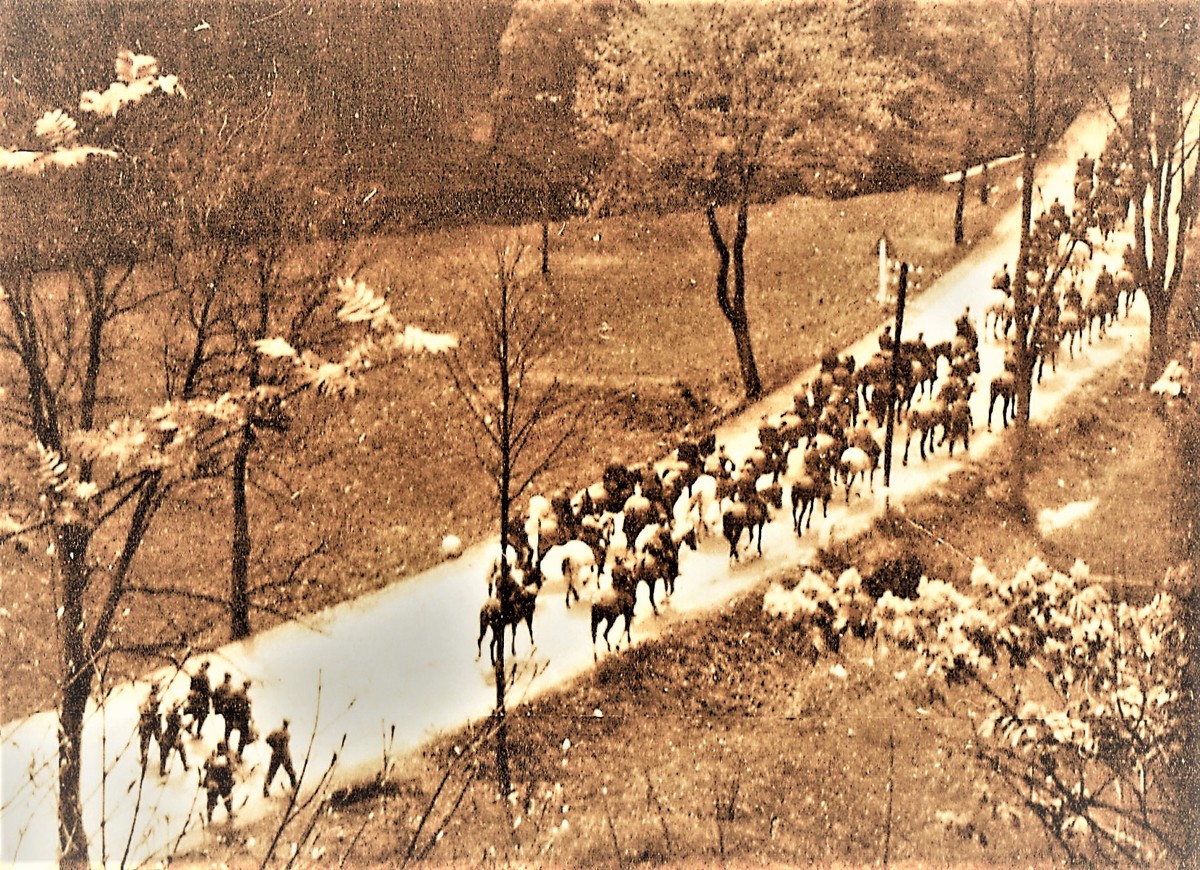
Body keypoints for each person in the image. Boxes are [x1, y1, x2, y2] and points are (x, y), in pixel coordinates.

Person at [263, 719, 297, 797]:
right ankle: (294, 787)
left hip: (276, 755)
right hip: (284, 755)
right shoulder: (287, 734)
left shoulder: (275, 732)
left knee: (271, 773)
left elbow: (267, 739)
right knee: (290, 772)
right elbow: (268, 739)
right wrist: (274, 746)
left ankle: (265, 791)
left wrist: (273, 746)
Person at [203, 742, 235, 824]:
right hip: (222, 783)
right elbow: (230, 772)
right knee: (227, 798)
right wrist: (232, 782)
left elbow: (205, 766)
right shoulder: (226, 760)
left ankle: (209, 818)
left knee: (211, 801)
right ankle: (230, 812)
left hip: (212, 783)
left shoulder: (212, 758)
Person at [223, 679, 253, 756]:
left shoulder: (235, 692)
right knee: (244, 734)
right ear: (248, 687)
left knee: (227, 731)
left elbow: (227, 702)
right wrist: (250, 719)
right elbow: (247, 712)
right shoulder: (246, 698)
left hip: (231, 717)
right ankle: (239, 753)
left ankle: (225, 745)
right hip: (239, 719)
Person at [159, 702, 188, 777]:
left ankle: (162, 770)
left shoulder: (169, 716)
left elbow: (168, 718)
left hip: (166, 737)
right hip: (174, 738)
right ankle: (185, 766)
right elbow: (181, 725)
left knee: (164, 754)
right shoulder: (178, 717)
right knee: (182, 749)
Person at [137, 685, 162, 770]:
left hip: (148, 722)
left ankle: (144, 759)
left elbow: (140, 708)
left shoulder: (148, 698)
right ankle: (163, 754)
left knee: (145, 743)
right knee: (156, 739)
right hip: (151, 722)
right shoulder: (157, 698)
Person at [185, 662, 211, 737]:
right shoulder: (205, 677)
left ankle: (190, 726)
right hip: (202, 700)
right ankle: (198, 732)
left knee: (196, 714)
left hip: (194, 698)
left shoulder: (195, 674)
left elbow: (191, 687)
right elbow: (207, 690)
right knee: (203, 715)